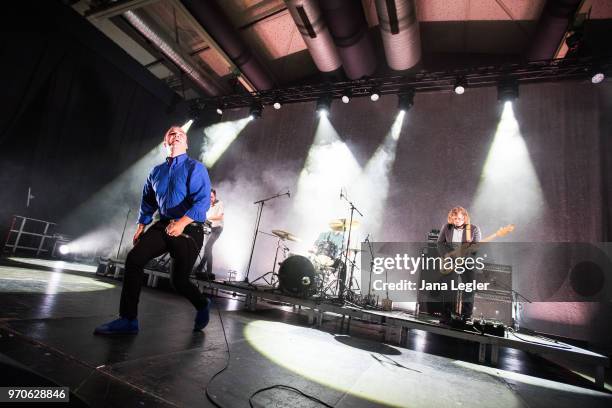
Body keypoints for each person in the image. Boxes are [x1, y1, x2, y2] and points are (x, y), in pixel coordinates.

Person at [94, 125, 212, 335]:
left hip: (189, 229)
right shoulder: (156, 172)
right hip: (163, 224)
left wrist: (182, 223)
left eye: (181, 134)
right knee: (134, 259)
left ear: (186, 144)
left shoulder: (195, 168)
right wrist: (142, 225)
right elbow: (148, 201)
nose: (176, 136)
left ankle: (202, 304)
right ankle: (129, 320)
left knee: (179, 281)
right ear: (166, 143)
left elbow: (202, 202)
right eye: (171, 134)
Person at [436, 206, 481, 323]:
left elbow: (476, 247)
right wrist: (446, 255)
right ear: (451, 218)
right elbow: (440, 243)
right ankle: (446, 316)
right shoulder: (446, 227)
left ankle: (466, 317)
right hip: (451, 261)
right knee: (448, 288)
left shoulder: (474, 229)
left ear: (465, 218)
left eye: (460, 218)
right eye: (455, 218)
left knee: (469, 288)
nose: (457, 221)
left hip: (467, 262)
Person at [196, 189, 224, 280]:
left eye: (211, 197)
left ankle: (204, 270)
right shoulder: (206, 204)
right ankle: (204, 270)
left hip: (217, 228)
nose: (210, 199)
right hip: (209, 228)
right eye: (209, 197)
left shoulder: (220, 203)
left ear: (215, 196)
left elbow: (220, 216)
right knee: (207, 249)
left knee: (208, 247)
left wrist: (209, 218)